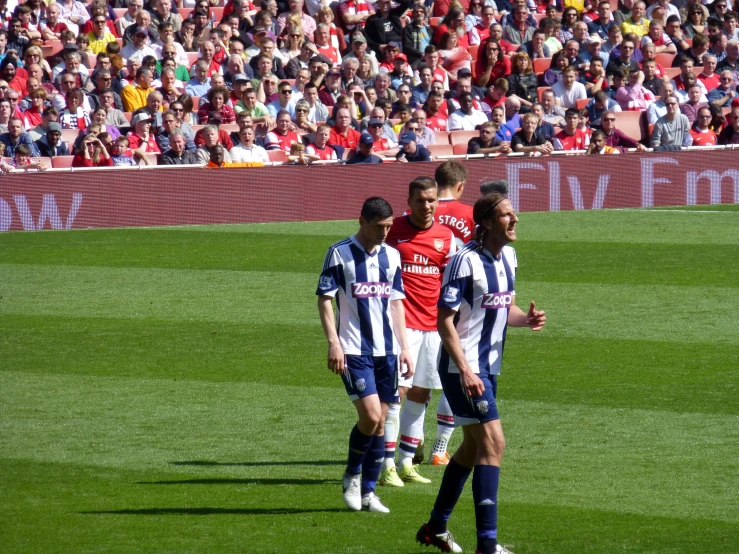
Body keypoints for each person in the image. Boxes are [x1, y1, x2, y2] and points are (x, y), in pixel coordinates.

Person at [416, 192, 546, 554]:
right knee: (494, 444)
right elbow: (444, 322)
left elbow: (505, 308)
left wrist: (526, 319)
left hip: (487, 368)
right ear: (487, 222)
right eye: (506, 215)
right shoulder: (463, 262)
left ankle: (436, 526)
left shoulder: (509, 256)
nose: (515, 219)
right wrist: (465, 370)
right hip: (464, 370)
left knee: (472, 448)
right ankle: (487, 545)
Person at [317, 196, 413, 514]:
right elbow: (325, 299)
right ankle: (352, 476)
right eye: (378, 227)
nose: (384, 232)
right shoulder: (339, 252)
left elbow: (396, 303)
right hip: (354, 349)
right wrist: (334, 342)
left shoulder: (392, 257)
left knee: (382, 421)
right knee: (371, 416)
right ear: (362, 222)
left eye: (388, 226)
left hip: (387, 351)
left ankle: (369, 493)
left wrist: (405, 347)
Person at [379, 177, 457, 488]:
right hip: (401, 326)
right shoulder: (392, 230)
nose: (427, 206)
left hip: (433, 327)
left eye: (432, 200)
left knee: (422, 392)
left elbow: (450, 281)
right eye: (421, 200)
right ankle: (385, 466)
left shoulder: (446, 237)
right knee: (396, 392)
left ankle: (406, 462)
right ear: (409, 202)